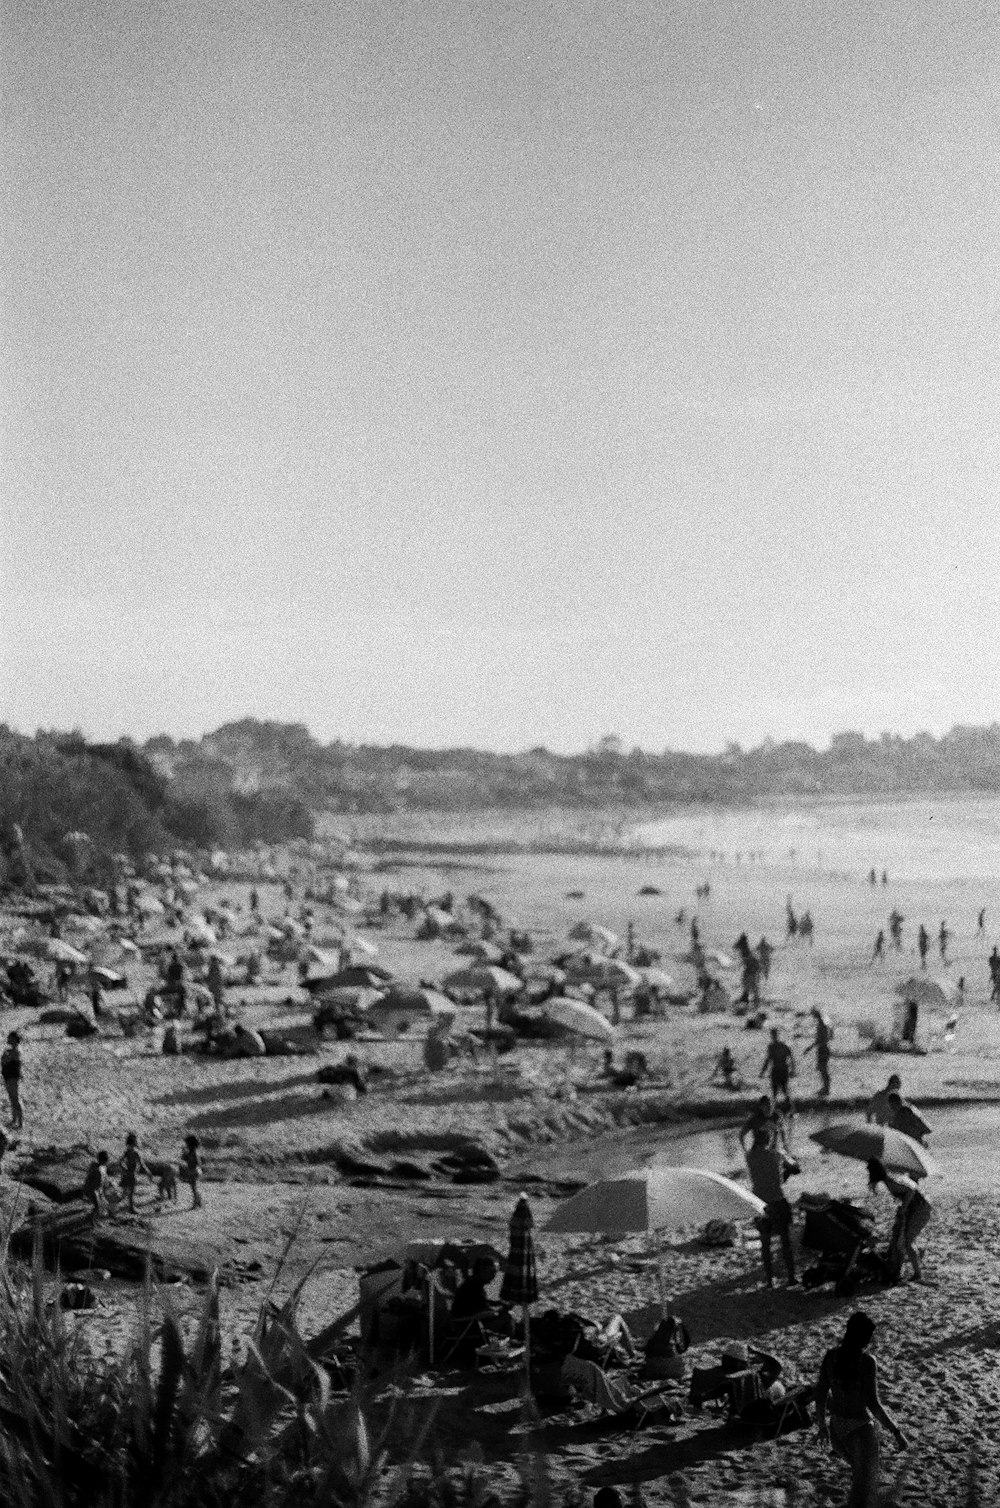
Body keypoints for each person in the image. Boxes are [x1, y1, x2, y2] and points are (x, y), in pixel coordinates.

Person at [815, 1311, 908, 1507]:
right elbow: (873, 1404)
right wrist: (896, 1431)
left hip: (837, 1430)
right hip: (859, 1429)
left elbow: (821, 1394)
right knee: (863, 1488)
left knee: (860, 1479)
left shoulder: (831, 1357)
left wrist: (822, 1426)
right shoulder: (866, 1362)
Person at [745, 1134, 798, 1287]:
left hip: (759, 1203)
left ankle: (769, 1280)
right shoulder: (777, 1153)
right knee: (785, 1241)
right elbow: (795, 1168)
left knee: (765, 1242)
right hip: (777, 1200)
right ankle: (791, 1277)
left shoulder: (749, 1156)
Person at [867, 1160, 932, 1283]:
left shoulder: (890, 1182)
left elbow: (910, 1191)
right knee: (901, 1240)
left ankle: (917, 1274)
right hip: (917, 1208)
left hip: (920, 1209)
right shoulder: (890, 1179)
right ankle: (901, 1271)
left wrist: (904, 1207)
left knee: (907, 1241)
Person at [760, 1027, 795, 1113]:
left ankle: (774, 1111)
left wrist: (762, 1072)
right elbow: (791, 1058)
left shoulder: (772, 1047)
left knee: (776, 1092)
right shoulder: (783, 1046)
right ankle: (790, 1111)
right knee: (784, 1091)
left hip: (777, 1070)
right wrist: (793, 1069)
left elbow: (768, 1060)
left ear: (772, 1036)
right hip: (783, 1069)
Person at [120, 1131, 151, 1215]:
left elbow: (121, 1161)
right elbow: (141, 1164)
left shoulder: (127, 1151)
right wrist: (148, 1171)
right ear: (135, 1142)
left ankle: (124, 1206)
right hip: (133, 1174)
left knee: (126, 1191)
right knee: (131, 1192)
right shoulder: (136, 1152)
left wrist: (124, 1169)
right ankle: (131, 1208)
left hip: (126, 1173)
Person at [804, 1007, 832, 1096]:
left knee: (823, 1069)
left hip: (822, 1049)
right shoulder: (823, 1025)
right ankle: (825, 1088)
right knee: (822, 1069)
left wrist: (809, 1048)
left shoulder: (821, 1026)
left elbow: (819, 1040)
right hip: (823, 1048)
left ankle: (826, 1089)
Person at [1, 1032, 23, 1130]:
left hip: (13, 1077)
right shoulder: (10, 1051)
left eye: (10, 1038)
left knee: (15, 1099)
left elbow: (6, 1060)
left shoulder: (16, 1051)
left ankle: (20, 1122)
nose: (8, 1040)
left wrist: (5, 1056)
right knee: (12, 1099)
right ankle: (14, 1120)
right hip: (8, 1076)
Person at [83, 1150, 112, 1220]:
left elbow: (104, 1178)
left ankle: (93, 1219)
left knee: (100, 1206)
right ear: (103, 1160)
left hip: (97, 1190)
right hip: (92, 1190)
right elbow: (88, 1179)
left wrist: (108, 1183)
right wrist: (86, 1190)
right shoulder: (95, 1169)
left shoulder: (103, 1168)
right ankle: (91, 1220)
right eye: (106, 1161)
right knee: (97, 1207)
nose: (107, 1162)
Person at [179, 1133, 203, 1209]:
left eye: (187, 1143)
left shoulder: (194, 1153)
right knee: (194, 1188)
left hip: (194, 1171)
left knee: (194, 1188)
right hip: (194, 1171)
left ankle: (196, 1203)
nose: (186, 1145)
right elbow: (183, 1158)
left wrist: (191, 1165)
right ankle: (198, 1202)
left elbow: (198, 1163)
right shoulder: (191, 1152)